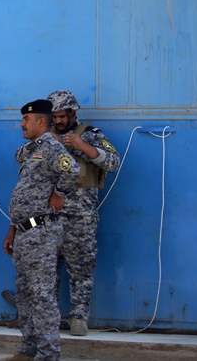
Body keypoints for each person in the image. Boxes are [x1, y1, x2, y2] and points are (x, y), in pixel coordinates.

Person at [2, 99, 79, 361]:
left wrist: (59, 194)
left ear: (41, 122)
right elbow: (26, 191)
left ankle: (48, 355)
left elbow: (73, 170)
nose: (22, 124)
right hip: (25, 232)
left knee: (42, 296)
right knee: (24, 294)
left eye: (26, 119)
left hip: (42, 233)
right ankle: (28, 350)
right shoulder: (33, 150)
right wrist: (13, 229)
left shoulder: (50, 147)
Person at [47, 90, 120, 336]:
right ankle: (48, 318)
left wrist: (84, 147)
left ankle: (78, 318)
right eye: (53, 116)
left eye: (61, 116)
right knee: (46, 268)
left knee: (81, 268)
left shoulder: (92, 135)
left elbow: (113, 163)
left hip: (81, 216)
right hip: (49, 214)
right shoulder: (46, 136)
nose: (57, 121)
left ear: (72, 113)